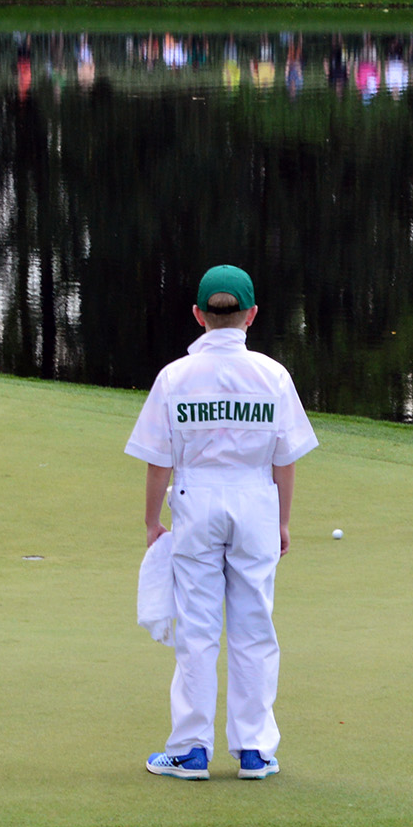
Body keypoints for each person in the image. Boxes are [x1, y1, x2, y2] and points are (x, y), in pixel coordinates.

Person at [127, 264, 317, 782]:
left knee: (198, 627)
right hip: (256, 498)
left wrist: (150, 522)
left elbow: (158, 458)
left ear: (198, 315)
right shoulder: (273, 375)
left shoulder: (175, 376)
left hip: (196, 500)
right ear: (252, 316)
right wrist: (282, 520)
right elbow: (286, 457)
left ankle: (191, 750)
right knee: (255, 624)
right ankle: (255, 750)